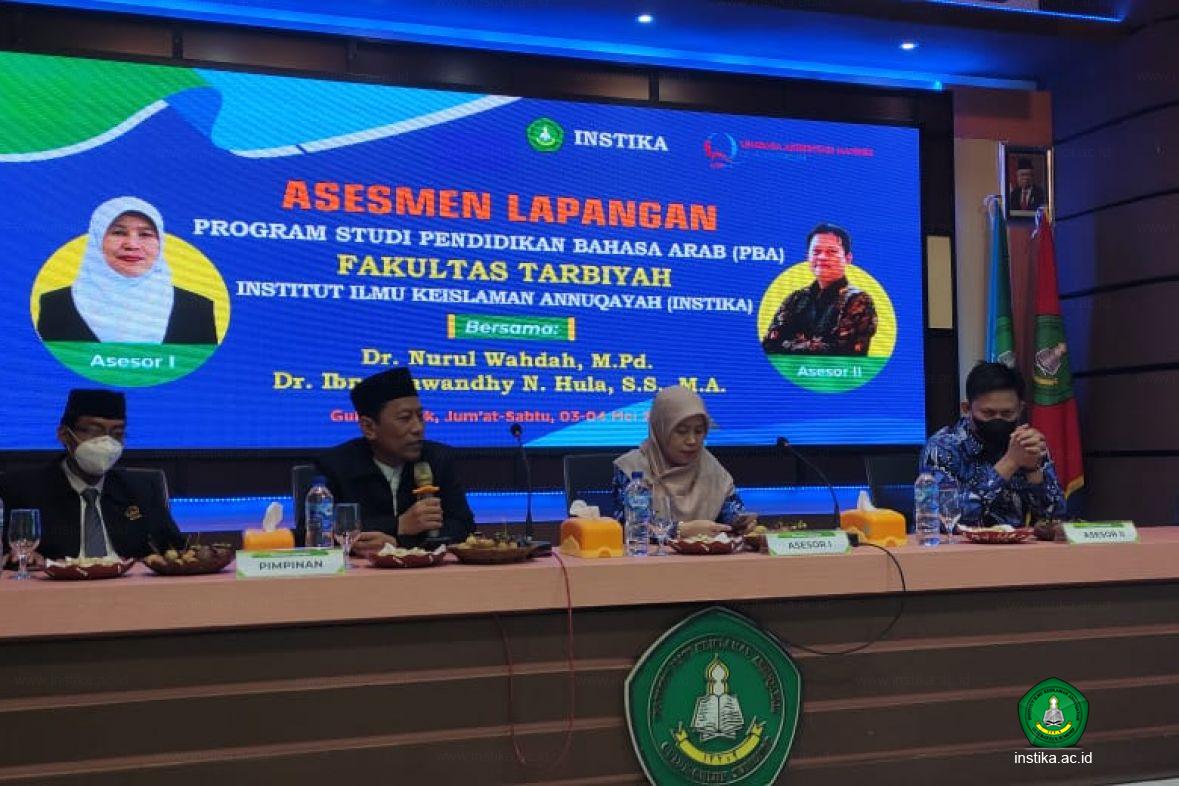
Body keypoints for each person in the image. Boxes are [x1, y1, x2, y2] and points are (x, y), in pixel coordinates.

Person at [0, 389, 185, 562]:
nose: (106, 442)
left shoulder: (141, 490)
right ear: (64, 435)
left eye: (117, 434)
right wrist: (18, 557)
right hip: (57, 584)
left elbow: (177, 551)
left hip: (127, 583)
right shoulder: (23, 488)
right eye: (94, 432)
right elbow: (9, 550)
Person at [315, 367, 475, 552]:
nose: (418, 428)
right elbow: (315, 533)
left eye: (420, 416)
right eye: (405, 418)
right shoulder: (335, 466)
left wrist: (399, 542)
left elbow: (464, 527)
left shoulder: (437, 459)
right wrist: (399, 525)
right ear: (369, 428)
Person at [36, 196, 218, 344]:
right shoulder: (55, 305)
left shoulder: (198, 309)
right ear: (96, 240)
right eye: (119, 232)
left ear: (161, 243)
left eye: (145, 234)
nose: (132, 244)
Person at [920, 361, 1065, 527]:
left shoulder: (1028, 444)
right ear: (966, 408)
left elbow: (1055, 519)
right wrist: (1010, 462)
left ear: (1020, 409)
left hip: (1018, 541)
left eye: (1007, 413)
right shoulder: (942, 447)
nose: (998, 420)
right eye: (988, 413)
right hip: (959, 543)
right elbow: (943, 518)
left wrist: (1033, 471)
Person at [613, 386, 746, 537]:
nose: (692, 440)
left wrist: (741, 524)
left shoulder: (712, 468)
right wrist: (680, 531)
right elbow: (631, 526)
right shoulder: (632, 468)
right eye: (682, 431)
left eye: (699, 431)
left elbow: (731, 515)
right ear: (661, 430)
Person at [761, 223, 878, 356]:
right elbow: (769, 344)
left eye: (831, 252)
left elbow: (843, 351)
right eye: (816, 252)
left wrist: (789, 344)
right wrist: (811, 345)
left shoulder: (858, 300)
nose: (822, 257)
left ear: (847, 258)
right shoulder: (796, 298)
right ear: (808, 257)